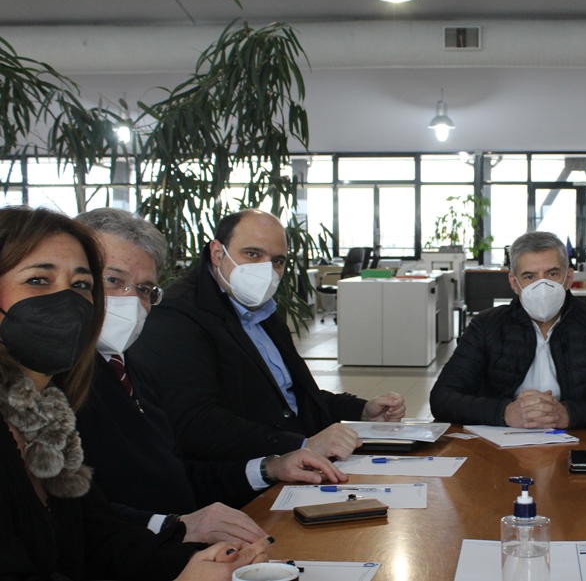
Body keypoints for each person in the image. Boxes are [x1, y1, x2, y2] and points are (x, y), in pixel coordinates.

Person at [0, 205, 271, 580]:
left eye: (81, 286)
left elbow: (99, 537)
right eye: (38, 280)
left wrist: (190, 565)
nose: (68, 302)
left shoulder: (48, 414)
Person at [74, 208, 345, 542]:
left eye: (144, 289)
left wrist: (269, 467)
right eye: (113, 281)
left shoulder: (129, 370)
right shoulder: (56, 387)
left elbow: (176, 475)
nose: (130, 301)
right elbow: (78, 518)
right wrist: (176, 527)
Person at [131, 209, 406, 462]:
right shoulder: (177, 315)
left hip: (297, 461)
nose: (266, 270)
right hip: (243, 476)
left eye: (277, 261)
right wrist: (301, 445)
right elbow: (195, 422)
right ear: (217, 253)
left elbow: (291, 397)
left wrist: (361, 410)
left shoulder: (261, 310)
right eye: (252, 254)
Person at [430, 231, 586, 428]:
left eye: (552, 274)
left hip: (578, 440)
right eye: (530, 277)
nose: (542, 286)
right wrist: (505, 413)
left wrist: (569, 414)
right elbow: (442, 397)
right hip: (502, 442)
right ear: (514, 283)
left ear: (568, 278)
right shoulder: (487, 326)